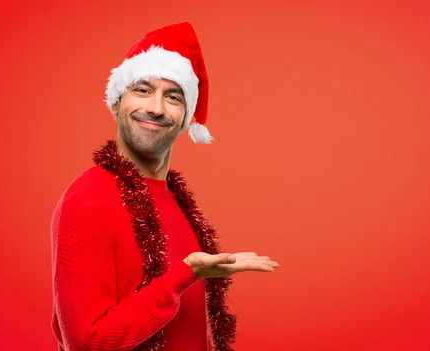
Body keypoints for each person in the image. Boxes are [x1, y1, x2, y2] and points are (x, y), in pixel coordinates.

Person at [50, 22, 279, 351]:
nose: (155, 108)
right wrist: (185, 274)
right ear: (116, 103)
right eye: (142, 90)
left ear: (186, 117)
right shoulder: (88, 199)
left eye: (173, 97)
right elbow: (87, 343)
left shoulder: (177, 202)